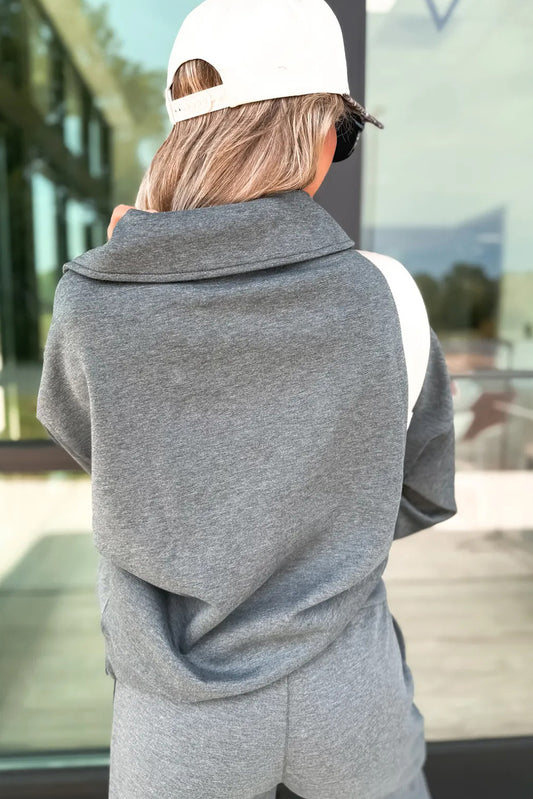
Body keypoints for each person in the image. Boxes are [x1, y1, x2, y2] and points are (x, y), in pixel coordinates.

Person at [36, 1, 457, 797]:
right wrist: (317, 528)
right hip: (348, 691)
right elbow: (422, 489)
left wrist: (129, 272)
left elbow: (112, 460)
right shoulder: (387, 292)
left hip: (178, 712)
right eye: (345, 133)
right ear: (320, 133)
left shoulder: (91, 302)